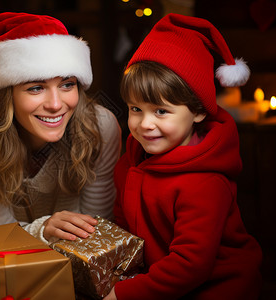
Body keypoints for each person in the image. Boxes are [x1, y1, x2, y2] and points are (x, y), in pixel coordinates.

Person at [106, 13, 262, 300]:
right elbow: (123, 225)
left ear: (199, 111)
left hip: (217, 287)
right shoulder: (130, 162)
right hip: (159, 281)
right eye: (135, 109)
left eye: (161, 111)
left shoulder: (205, 183)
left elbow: (191, 266)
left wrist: (123, 294)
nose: (145, 123)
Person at [0, 12, 121, 244]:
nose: (56, 104)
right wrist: (43, 230)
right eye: (36, 88)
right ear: (6, 95)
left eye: (67, 84)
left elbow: (97, 233)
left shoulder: (101, 127)